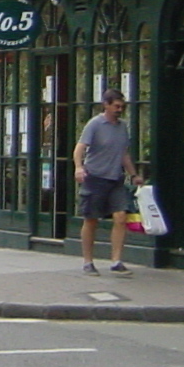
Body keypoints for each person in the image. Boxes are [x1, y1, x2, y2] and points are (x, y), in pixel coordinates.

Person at [74, 88, 141, 274]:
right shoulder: (94, 124)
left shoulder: (123, 126)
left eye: (122, 106)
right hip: (95, 178)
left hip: (115, 179)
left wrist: (133, 174)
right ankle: (88, 261)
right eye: (116, 106)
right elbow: (79, 149)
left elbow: (124, 154)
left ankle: (116, 260)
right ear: (106, 105)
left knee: (121, 217)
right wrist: (79, 167)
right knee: (91, 220)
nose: (120, 110)